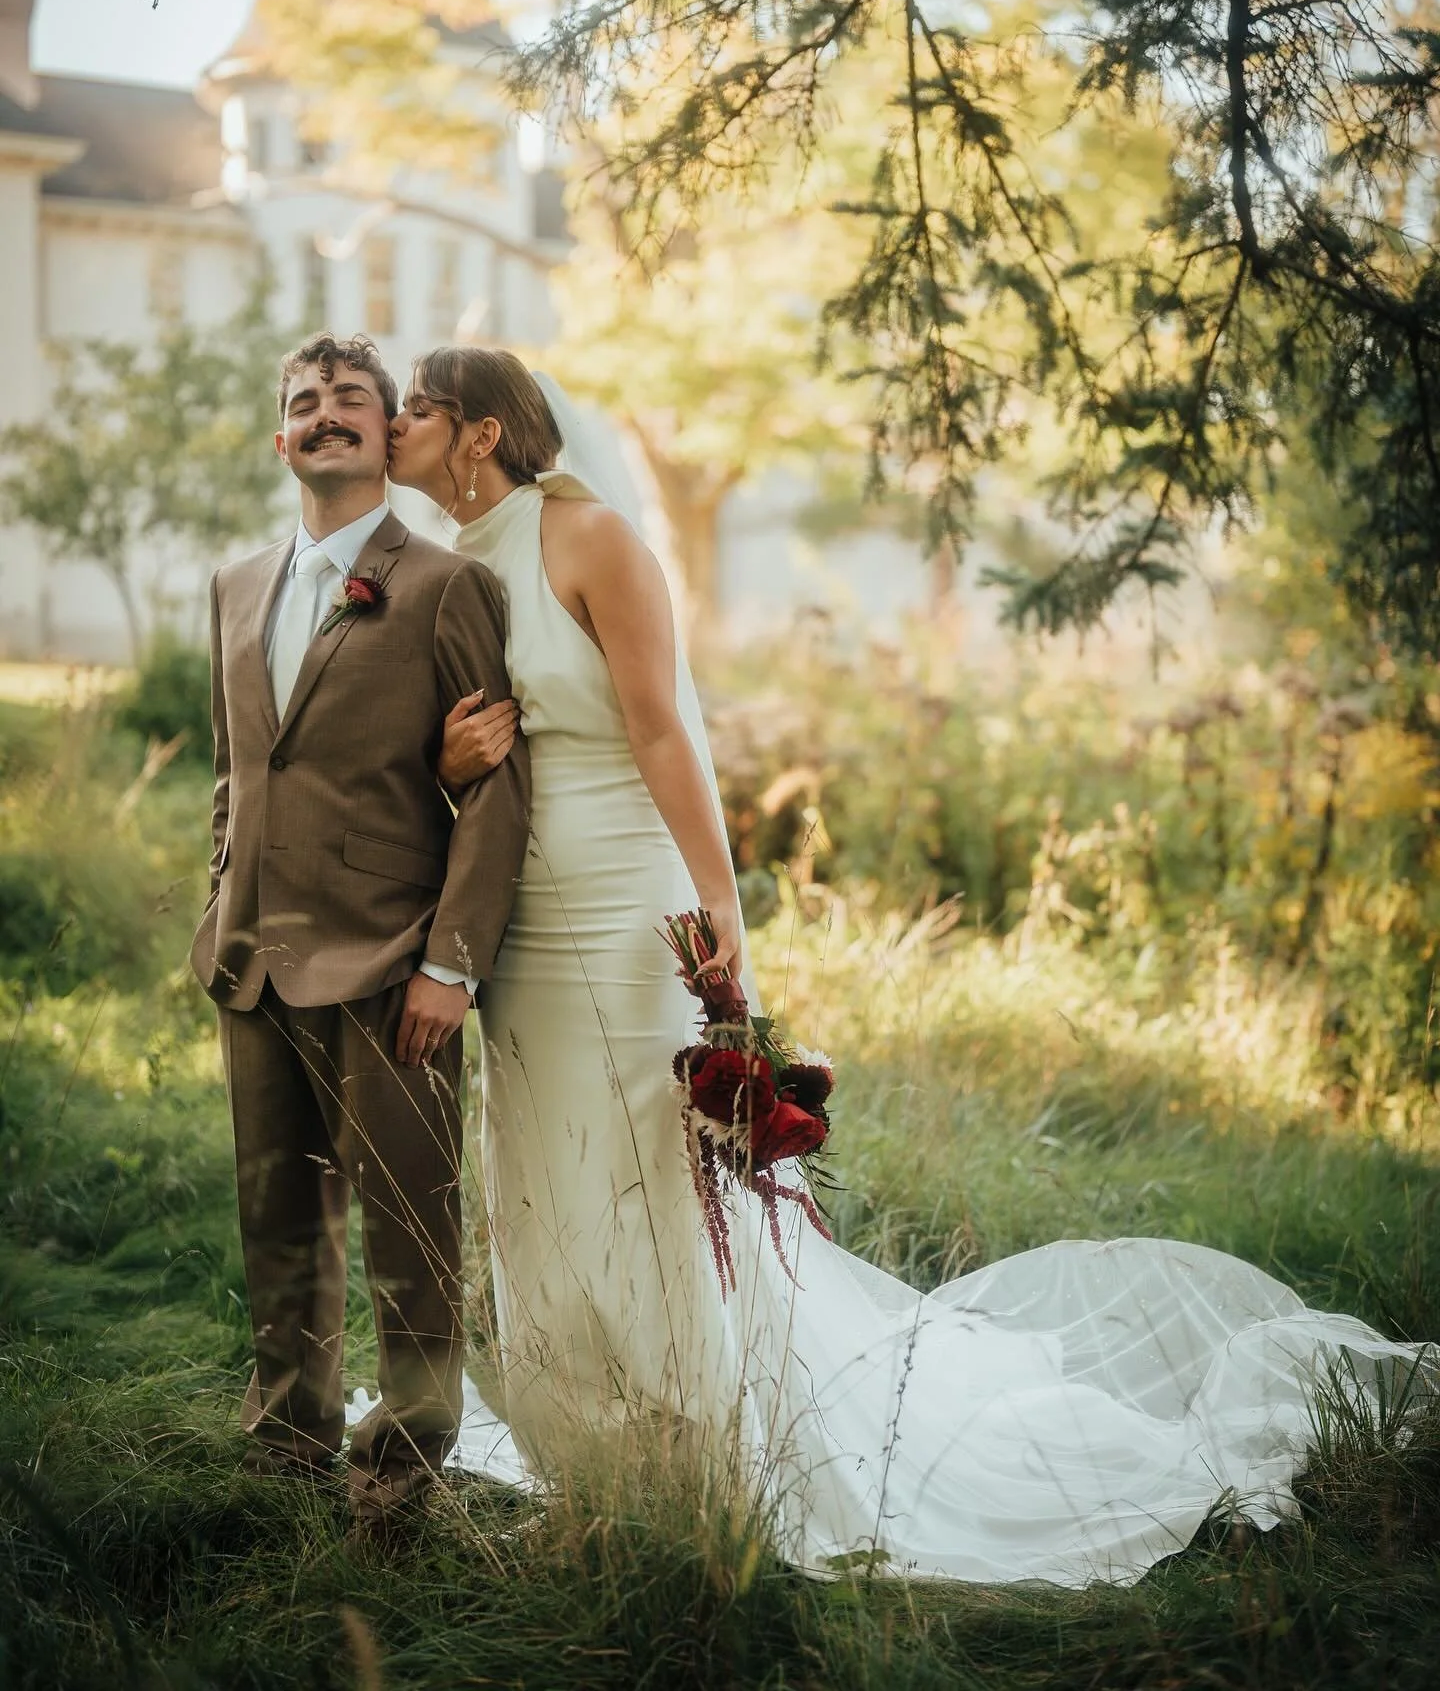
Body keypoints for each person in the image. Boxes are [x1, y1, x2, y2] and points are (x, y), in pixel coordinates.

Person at [385, 344, 1435, 1585]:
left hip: (626, 905)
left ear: (483, 431)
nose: (395, 425)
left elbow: (662, 727)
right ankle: (594, 1443)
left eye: (415, 407)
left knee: (648, 1171)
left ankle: (716, 1448)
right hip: (523, 920)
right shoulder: (455, 565)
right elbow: (485, 751)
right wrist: (451, 770)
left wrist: (718, 902)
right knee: (542, 1167)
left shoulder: (595, 539)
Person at [191, 332, 530, 1526]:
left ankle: (402, 1473)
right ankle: (287, 1440)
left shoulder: (445, 586)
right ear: (281, 439)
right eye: (304, 402)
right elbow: (240, 774)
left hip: (394, 968)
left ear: (389, 433)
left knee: (409, 1231)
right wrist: (218, 903)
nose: (325, 415)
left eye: (350, 400)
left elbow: (496, 791)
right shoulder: (235, 585)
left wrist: (451, 962)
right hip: (255, 964)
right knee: (280, 1222)